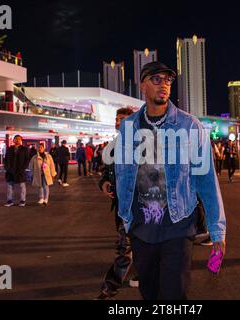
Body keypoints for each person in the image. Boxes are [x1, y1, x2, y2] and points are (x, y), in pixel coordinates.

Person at [114, 61, 226, 300]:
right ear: (143, 85)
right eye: (156, 79)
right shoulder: (128, 127)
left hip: (177, 225)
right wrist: (126, 219)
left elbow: (207, 181)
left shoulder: (190, 126)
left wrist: (217, 231)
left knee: (174, 295)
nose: (163, 85)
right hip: (141, 230)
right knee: (150, 294)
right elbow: (122, 175)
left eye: (167, 80)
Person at [96, 107, 136, 300]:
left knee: (124, 247)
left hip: (138, 206)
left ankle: (109, 288)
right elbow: (106, 171)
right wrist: (103, 182)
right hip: (120, 205)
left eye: (123, 118)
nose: (118, 122)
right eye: (117, 118)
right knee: (136, 245)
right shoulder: (114, 145)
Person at [4, 135, 29, 207]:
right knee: (9, 186)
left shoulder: (24, 149)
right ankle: (9, 200)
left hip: (20, 170)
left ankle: (22, 201)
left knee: (22, 186)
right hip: (10, 170)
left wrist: (23, 168)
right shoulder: (10, 149)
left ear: (21, 140)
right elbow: (6, 159)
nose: (17, 140)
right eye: (16, 139)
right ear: (13, 140)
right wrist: (7, 167)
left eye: (19, 139)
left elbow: (27, 160)